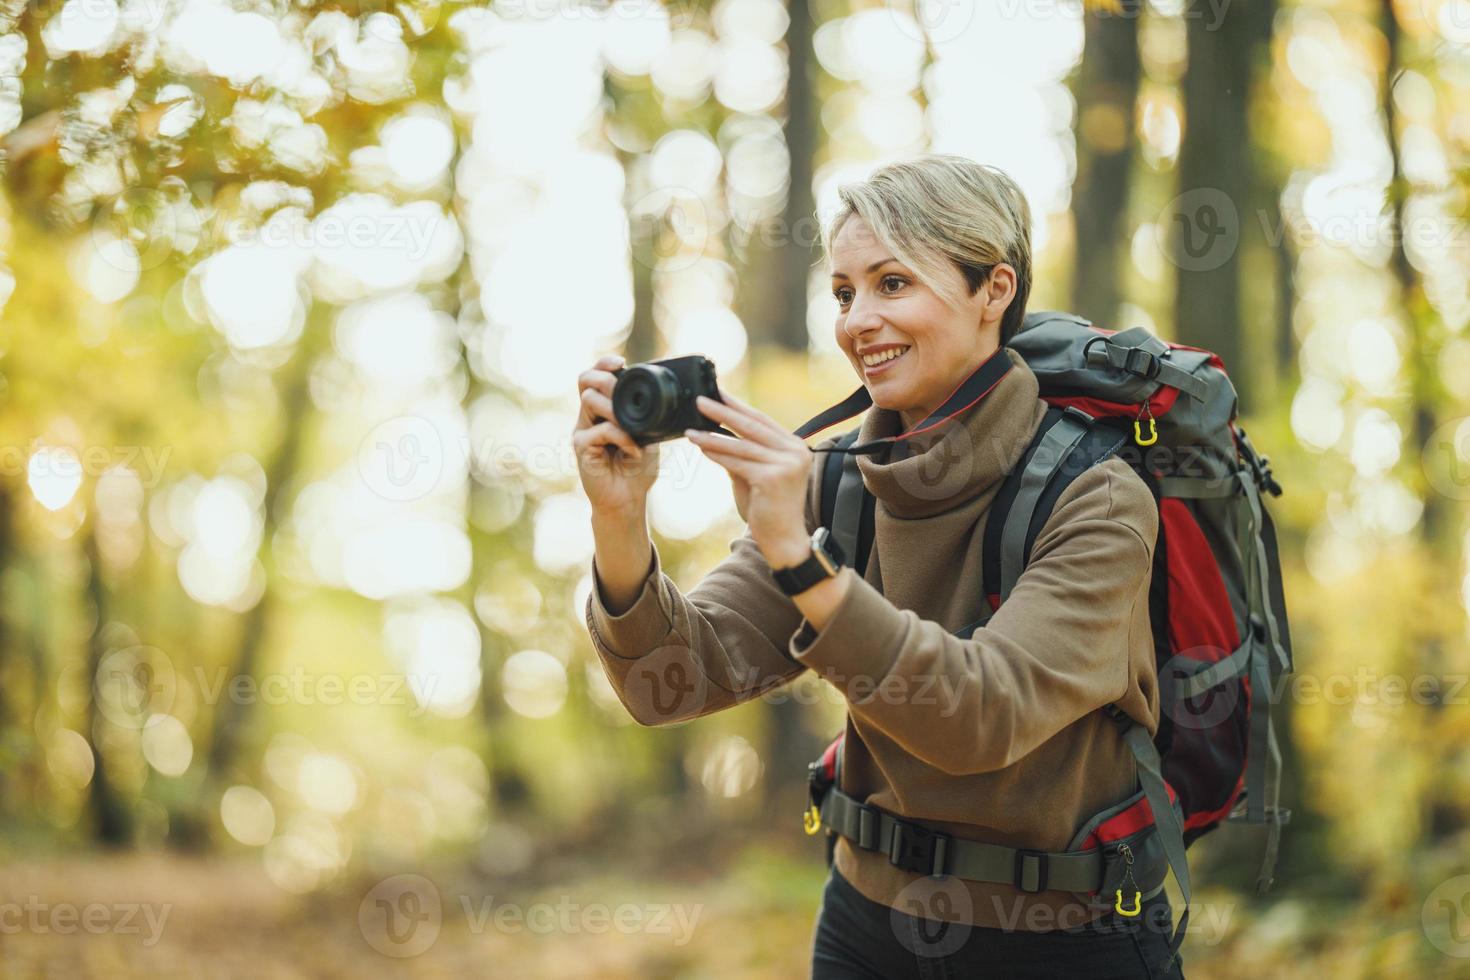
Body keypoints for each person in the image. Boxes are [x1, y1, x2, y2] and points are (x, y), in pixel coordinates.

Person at [572, 154, 1184, 979]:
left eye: (893, 283)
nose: (859, 319)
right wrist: (619, 519)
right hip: (867, 928)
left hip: (1067, 939)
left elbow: (980, 716)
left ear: (994, 290)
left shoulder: (1095, 496)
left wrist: (799, 555)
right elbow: (668, 685)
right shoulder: (835, 487)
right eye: (844, 291)